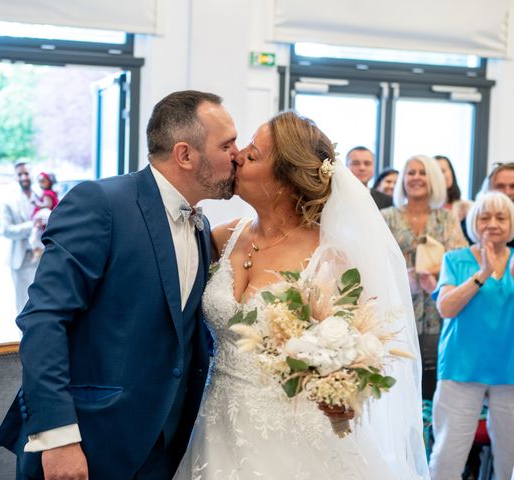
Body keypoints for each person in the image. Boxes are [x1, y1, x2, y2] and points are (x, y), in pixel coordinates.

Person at [0, 90, 239, 480]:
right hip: (90, 441)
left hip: (167, 445)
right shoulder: (100, 203)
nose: (237, 155)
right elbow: (44, 320)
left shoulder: (200, 225)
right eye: (227, 144)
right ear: (185, 154)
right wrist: (58, 437)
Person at [175, 112, 429, 479]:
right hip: (215, 425)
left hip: (294, 438)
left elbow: (352, 358)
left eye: (254, 153)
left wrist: (343, 399)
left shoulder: (329, 259)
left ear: (285, 180)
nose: (238, 155)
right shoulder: (222, 237)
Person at [429, 191, 514, 480]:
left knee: (509, 461)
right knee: (447, 455)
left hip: (510, 372)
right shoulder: (456, 259)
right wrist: (484, 273)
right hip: (461, 368)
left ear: (511, 223)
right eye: (485, 217)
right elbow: (446, 307)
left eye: (501, 217)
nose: (492, 223)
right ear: (473, 223)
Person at [382, 155, 468, 400]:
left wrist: (434, 272)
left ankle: (427, 436)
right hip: (395, 312)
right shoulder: (386, 217)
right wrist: (400, 275)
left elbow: (460, 262)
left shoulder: (446, 219)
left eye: (423, 173)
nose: (416, 178)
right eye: (411, 172)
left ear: (434, 180)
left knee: (430, 387)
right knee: (395, 386)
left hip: (435, 312)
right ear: (403, 179)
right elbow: (375, 260)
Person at [0, 162, 40, 313]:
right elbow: (7, 230)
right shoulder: (8, 201)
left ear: (32, 174)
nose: (24, 177)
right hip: (21, 260)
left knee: (43, 304)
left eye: (26, 173)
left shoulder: (43, 197)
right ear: (15, 177)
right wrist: (32, 225)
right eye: (20, 174)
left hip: (43, 258)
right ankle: (24, 337)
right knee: (24, 305)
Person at [28, 172, 59, 258]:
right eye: (39, 181)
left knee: (36, 232)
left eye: (43, 181)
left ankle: (37, 249)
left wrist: (36, 203)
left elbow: (47, 205)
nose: (41, 183)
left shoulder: (47, 193)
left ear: (49, 181)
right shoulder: (49, 192)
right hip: (48, 218)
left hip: (46, 216)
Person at [434, 155, 472, 222]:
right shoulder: (422, 210)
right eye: (435, 172)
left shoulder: (468, 208)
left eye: (443, 171)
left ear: (451, 174)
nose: (439, 176)